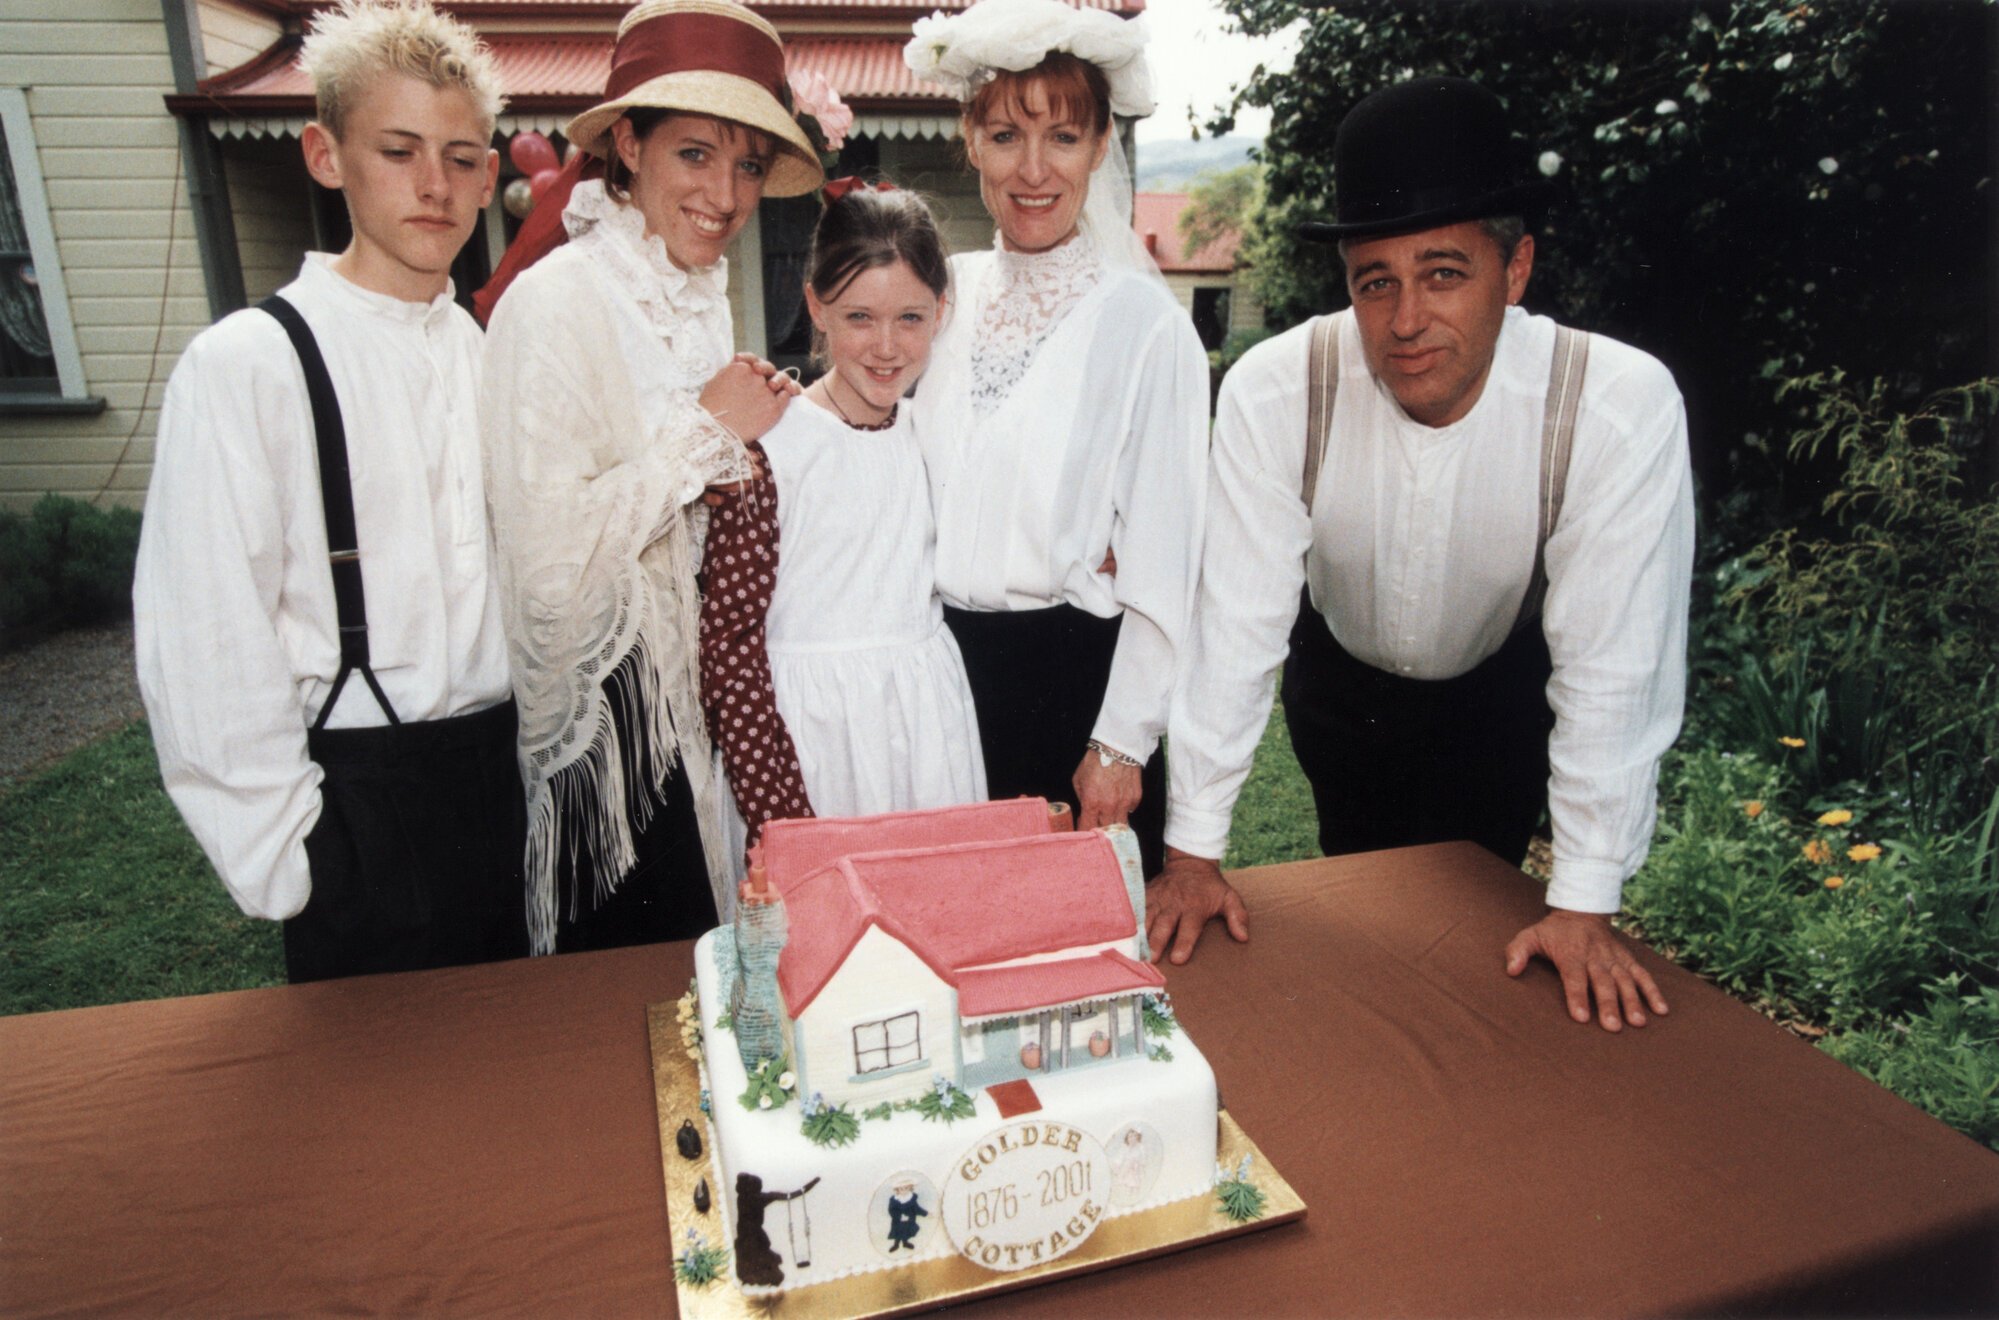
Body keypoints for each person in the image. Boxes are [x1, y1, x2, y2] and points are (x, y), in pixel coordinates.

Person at [1154, 77, 1694, 1034]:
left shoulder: (1612, 403)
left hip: (1501, 686)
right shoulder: (1276, 390)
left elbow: (1615, 663)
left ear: (1516, 268)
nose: (1405, 321)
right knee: (1358, 920)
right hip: (1340, 678)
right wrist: (1193, 856)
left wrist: (1582, 902)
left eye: (1443, 273)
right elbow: (1232, 630)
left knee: (1482, 937)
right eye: (1376, 281)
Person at [133, 0, 526, 982]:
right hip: (360, 805)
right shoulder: (249, 364)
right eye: (398, 150)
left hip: (507, 782)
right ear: (325, 155)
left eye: (463, 156)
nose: (435, 185)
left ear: (489, 174)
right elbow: (206, 629)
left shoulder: (487, 356)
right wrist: (292, 851)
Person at [479, 0, 821, 954]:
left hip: (696, 716)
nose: (727, 193)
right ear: (626, 145)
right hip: (616, 741)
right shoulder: (553, 305)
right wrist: (704, 439)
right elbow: (544, 566)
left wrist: (720, 475)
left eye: (748, 163)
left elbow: (673, 493)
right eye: (695, 154)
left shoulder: (694, 292)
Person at [901, 0, 1209, 877]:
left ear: (1102, 144)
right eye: (1004, 136)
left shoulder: (1146, 328)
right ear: (969, 139)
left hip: (1075, 692)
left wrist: (1119, 744)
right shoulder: (942, 296)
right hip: (940, 687)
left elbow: (1166, 562)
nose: (1032, 169)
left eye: (1063, 138)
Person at [700, 181, 985, 841]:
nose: (886, 347)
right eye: (859, 317)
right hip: (812, 742)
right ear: (816, 308)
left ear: (940, 312)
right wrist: (778, 816)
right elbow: (729, 646)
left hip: (923, 730)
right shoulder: (770, 445)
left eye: (909, 318)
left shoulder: (932, 431)